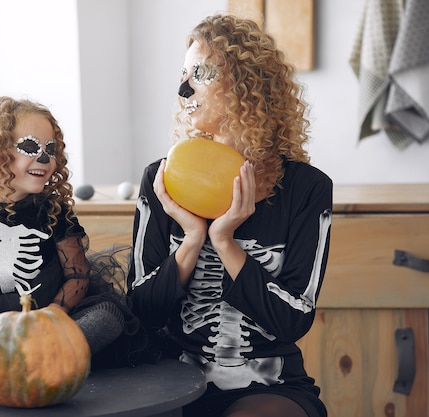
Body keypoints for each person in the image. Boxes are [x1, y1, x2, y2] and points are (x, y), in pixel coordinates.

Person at [127, 14, 332, 417]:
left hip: (271, 384)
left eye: (200, 72)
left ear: (246, 85)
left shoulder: (307, 188)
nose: (184, 88)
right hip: (172, 379)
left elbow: (293, 319)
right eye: (184, 74)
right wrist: (191, 239)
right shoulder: (161, 178)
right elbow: (142, 313)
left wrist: (224, 241)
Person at [0, 96, 135, 361]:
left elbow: (77, 277)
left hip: (47, 319)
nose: (45, 157)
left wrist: (51, 315)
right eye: (30, 147)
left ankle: (28, 360)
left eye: (50, 149)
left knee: (106, 319)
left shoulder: (54, 210)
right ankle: (23, 360)